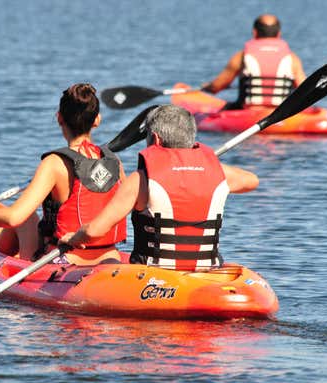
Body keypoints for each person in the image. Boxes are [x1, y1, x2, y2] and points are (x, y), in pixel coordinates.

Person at [60, 104, 259, 271]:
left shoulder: (140, 180)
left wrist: (73, 237)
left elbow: (94, 230)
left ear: (155, 139)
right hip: (206, 271)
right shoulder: (219, 174)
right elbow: (252, 181)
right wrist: (205, 162)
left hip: (153, 275)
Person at [0, 83, 126, 265]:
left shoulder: (54, 164)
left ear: (59, 118)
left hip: (65, 260)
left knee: (26, 218)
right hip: (110, 259)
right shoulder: (114, 162)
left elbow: (14, 217)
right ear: (97, 120)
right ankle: (2, 250)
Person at [201, 14, 306, 110]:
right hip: (281, 114)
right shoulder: (293, 59)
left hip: (249, 113)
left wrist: (206, 88)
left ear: (254, 32)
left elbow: (216, 87)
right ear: (279, 34)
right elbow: (304, 90)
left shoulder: (241, 57)